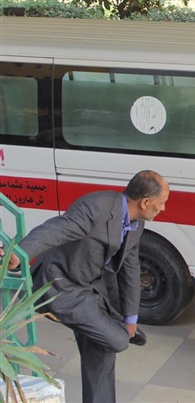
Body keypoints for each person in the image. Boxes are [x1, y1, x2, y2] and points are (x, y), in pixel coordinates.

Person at [4, 170, 170, 403]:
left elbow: (130, 270)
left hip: (92, 289)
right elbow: (55, 229)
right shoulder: (96, 208)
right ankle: (115, 328)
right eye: (161, 203)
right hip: (62, 285)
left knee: (101, 351)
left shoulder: (136, 223)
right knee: (117, 340)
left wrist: (131, 318)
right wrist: (20, 254)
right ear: (145, 202)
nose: (163, 208)